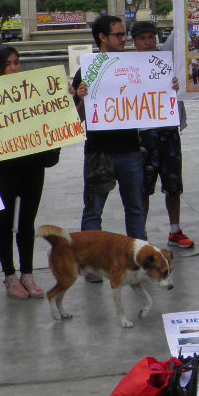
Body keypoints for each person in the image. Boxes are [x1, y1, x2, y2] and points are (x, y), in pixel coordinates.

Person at [0, 46, 47, 299]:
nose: (14, 68)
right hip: (2, 167)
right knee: (3, 221)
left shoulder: (32, 91)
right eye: (7, 64)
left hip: (33, 164)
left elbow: (50, 116)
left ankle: (28, 273)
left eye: (16, 62)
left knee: (27, 221)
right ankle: (9, 275)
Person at [73, 15, 146, 243]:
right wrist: (82, 99)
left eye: (124, 34)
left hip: (130, 149)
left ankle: (137, 256)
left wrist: (168, 87)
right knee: (93, 210)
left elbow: (152, 98)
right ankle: (90, 257)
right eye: (119, 35)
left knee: (135, 209)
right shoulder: (86, 72)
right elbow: (77, 119)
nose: (124, 39)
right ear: (103, 37)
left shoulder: (134, 67)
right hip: (98, 151)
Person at [131, 20, 193, 249]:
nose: (148, 42)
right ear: (134, 42)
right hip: (143, 135)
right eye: (142, 38)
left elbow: (180, 30)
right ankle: (141, 234)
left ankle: (175, 230)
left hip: (169, 131)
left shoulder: (168, 60)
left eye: (151, 37)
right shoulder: (128, 66)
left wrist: (178, 86)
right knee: (143, 188)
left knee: (173, 185)